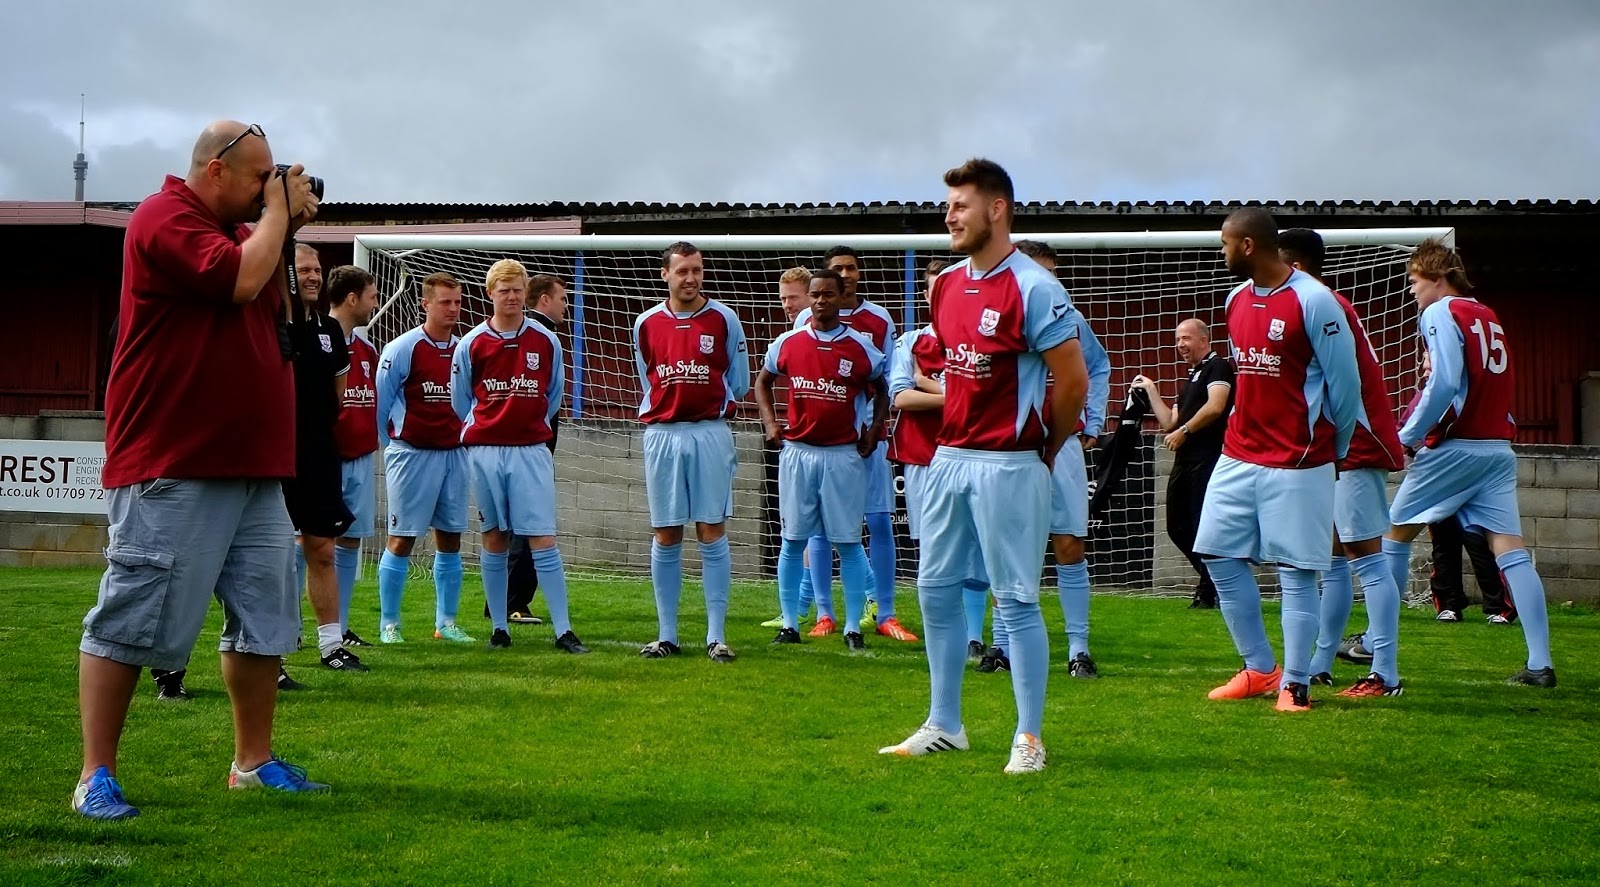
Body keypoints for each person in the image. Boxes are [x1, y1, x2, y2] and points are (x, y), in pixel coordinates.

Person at [74, 119, 329, 820]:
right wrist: (278, 215)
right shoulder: (163, 217)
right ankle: (96, 773)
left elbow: (268, 292)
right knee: (130, 615)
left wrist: (280, 222)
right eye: (258, 176)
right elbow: (243, 283)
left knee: (264, 621)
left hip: (251, 466)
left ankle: (254, 761)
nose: (267, 187)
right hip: (174, 459)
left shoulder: (247, 235)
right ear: (215, 169)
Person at [880, 158, 1087, 774]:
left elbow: (1071, 379)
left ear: (997, 209)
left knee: (1016, 597)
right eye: (947, 206)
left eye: (961, 205)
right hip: (947, 457)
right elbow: (955, 370)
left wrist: (1049, 443)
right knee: (935, 589)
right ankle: (945, 722)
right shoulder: (944, 284)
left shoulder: (1035, 286)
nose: (949, 216)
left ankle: (1029, 738)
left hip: (1009, 464)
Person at [1194, 208, 1361, 713]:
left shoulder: (1314, 300)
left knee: (1297, 572)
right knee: (1218, 554)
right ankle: (1259, 668)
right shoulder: (1235, 300)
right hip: (1238, 452)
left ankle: (1297, 683)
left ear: (1248, 246)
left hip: (1299, 459)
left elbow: (1345, 386)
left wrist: (1334, 448)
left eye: (1225, 243)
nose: (1220, 252)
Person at [1381, 238, 1555, 687]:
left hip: (1456, 446)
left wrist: (1406, 437)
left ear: (1437, 279)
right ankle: (1540, 664)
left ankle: (1377, 644)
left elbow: (1442, 383)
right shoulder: (1488, 315)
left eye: (1415, 283)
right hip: (1497, 447)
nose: (1413, 293)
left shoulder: (1440, 312)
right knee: (1511, 551)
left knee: (1394, 537)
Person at [1277, 228, 1407, 698]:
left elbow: (1341, 384)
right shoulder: (1320, 304)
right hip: (1334, 448)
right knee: (1332, 558)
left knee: (1365, 558)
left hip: (1356, 444)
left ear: (1295, 263)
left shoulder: (1320, 305)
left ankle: (1385, 673)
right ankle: (1321, 661)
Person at [454, 263, 588, 654]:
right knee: (494, 536)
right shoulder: (473, 343)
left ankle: (563, 629)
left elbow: (554, 396)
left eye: (517, 290)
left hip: (530, 450)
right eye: (504, 290)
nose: (511, 297)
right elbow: (461, 399)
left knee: (543, 537)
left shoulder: (546, 341)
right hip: (486, 451)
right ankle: (499, 627)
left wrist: (527, 428)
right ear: (489, 293)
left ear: (525, 293)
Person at [755, 269, 888, 651]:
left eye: (828, 294)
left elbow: (882, 389)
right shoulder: (789, 342)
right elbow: (763, 381)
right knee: (793, 539)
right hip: (799, 453)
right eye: (815, 295)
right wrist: (770, 423)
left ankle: (851, 627)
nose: (820, 301)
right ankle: (790, 624)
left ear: (840, 296)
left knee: (847, 542)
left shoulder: (861, 347)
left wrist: (873, 430)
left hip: (843, 455)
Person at [632, 243, 749, 663]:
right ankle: (667, 635)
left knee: (711, 530)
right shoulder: (645, 323)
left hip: (710, 433)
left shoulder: (724, 319)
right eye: (682, 271)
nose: (691, 278)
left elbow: (738, 383)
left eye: (697, 270)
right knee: (666, 533)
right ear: (665, 274)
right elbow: (645, 377)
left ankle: (716, 637)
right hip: (663, 434)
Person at [792, 247, 916, 641]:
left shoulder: (878, 318)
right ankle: (825, 614)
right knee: (820, 529)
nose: (844, 274)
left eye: (850, 268)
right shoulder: (804, 319)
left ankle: (885, 611)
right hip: (825, 443)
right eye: (838, 268)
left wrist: (875, 428)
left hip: (868, 440)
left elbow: (887, 380)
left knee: (879, 521)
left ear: (858, 274)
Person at [890, 259, 994, 662]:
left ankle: (973, 635)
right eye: (931, 289)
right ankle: (944, 634)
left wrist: (928, 386)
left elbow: (987, 399)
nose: (938, 295)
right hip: (923, 457)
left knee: (978, 547)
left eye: (944, 288)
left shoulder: (978, 339)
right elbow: (901, 398)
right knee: (935, 550)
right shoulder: (911, 342)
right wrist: (956, 396)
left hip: (974, 455)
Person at [1016, 239, 1110, 680]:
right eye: (1041, 270)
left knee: (1069, 543)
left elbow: (1098, 367)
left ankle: (1078, 648)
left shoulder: (1070, 318)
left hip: (1064, 444)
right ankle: (1001, 643)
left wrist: (1091, 420)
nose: (1050, 280)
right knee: (1009, 547)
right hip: (1010, 446)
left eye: (1053, 272)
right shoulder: (995, 315)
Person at [374, 272, 471, 645]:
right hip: (412, 456)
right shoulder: (402, 348)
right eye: (445, 302)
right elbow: (381, 406)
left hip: (455, 455)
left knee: (450, 537)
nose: (453, 309)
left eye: (458, 302)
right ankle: (390, 624)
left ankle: (445, 624)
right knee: (401, 538)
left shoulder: (465, 348)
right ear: (425, 304)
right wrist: (397, 443)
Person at [282, 245, 365, 678]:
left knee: (323, 549)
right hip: (274, 452)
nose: (313, 276)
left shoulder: (331, 330)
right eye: (304, 270)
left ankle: (331, 645)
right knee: (271, 555)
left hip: (318, 453)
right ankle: (268, 653)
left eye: (317, 269)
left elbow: (336, 395)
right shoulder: (270, 323)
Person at [1132, 319, 1234, 609]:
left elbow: (1216, 406)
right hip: (1184, 460)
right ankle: (1213, 581)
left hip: (1208, 458)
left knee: (1201, 526)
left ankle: (1210, 589)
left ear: (1203, 340)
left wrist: (1185, 432)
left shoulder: (1218, 367)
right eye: (1177, 339)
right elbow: (1169, 423)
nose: (1180, 345)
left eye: (1186, 338)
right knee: (1177, 527)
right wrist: (1151, 389)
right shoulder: (1192, 377)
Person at [498, 275, 567, 626]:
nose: (566, 306)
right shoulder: (540, 339)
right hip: (527, 448)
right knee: (526, 528)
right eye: (562, 298)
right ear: (542, 301)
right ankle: (512, 602)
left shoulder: (543, 339)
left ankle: (504, 602)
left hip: (528, 446)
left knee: (513, 527)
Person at [761, 266, 827, 628]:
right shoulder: (792, 337)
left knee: (828, 534)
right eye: (783, 298)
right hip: (804, 443)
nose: (788, 305)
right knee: (812, 533)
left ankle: (868, 601)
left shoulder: (811, 325)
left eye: (794, 297)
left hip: (831, 443)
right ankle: (804, 607)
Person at [327, 264, 382, 645]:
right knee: (308, 544)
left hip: (361, 458)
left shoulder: (368, 350)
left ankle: (342, 626)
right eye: (372, 295)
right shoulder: (318, 342)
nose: (376, 303)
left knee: (350, 542)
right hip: (325, 459)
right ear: (352, 298)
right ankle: (296, 628)